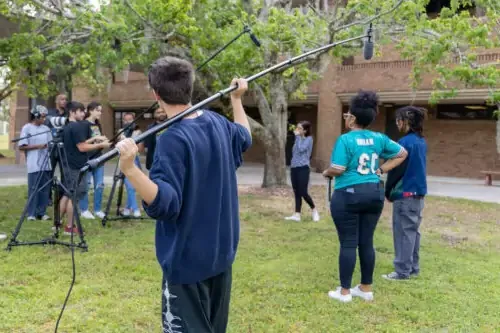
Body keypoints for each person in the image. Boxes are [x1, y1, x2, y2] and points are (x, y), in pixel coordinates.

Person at [115, 56, 251, 333]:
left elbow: (165, 203)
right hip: (220, 255)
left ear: (156, 94)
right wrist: (237, 100)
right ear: (191, 86)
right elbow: (244, 136)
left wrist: (130, 169)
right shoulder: (217, 122)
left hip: (188, 264)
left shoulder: (171, 140)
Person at [322, 90, 407, 303]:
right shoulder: (379, 138)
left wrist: (326, 172)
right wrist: (381, 170)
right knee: (366, 241)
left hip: (348, 194)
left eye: (347, 114)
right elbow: (402, 153)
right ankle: (366, 288)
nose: (346, 118)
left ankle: (344, 292)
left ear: (353, 118)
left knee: (349, 243)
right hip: (374, 192)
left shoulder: (345, 139)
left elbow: (338, 168)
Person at [382, 106, 427, 281]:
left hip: (405, 193)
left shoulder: (404, 143)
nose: (397, 123)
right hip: (418, 194)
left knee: (403, 231)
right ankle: (412, 267)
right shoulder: (421, 141)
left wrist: (388, 190)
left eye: (399, 119)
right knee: (413, 231)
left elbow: (395, 170)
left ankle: (401, 271)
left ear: (406, 121)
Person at [59, 101, 110, 235]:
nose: (83, 114)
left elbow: (79, 143)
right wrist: (100, 145)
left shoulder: (67, 126)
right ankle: (70, 227)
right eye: (80, 111)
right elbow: (82, 147)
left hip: (67, 165)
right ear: (72, 112)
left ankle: (57, 224)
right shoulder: (76, 127)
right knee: (73, 197)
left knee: (66, 194)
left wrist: (95, 139)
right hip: (75, 167)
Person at [18, 105, 52, 221]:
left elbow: (50, 143)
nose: (44, 119)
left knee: (45, 188)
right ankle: (31, 213)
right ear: (36, 116)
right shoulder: (27, 128)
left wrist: (49, 146)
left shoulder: (46, 129)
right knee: (33, 188)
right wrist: (38, 146)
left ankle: (41, 213)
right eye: (42, 116)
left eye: (45, 117)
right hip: (34, 163)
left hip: (46, 162)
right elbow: (22, 146)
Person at [285, 120, 320, 222]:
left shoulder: (309, 139)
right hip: (294, 168)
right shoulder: (298, 139)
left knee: (303, 192)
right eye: (297, 127)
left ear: (305, 130)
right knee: (296, 192)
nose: (297, 130)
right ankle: (297, 214)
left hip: (303, 168)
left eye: (300, 128)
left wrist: (297, 137)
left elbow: (301, 149)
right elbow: (294, 153)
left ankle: (314, 210)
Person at [79, 102, 106, 220]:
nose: (100, 113)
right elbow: (82, 142)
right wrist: (96, 139)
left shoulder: (97, 125)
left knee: (99, 184)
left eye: (101, 110)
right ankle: (84, 209)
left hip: (99, 157)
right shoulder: (83, 124)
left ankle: (97, 209)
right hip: (87, 159)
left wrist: (103, 142)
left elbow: (97, 141)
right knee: (86, 184)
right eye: (98, 110)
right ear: (90, 110)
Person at [118, 112, 144, 217]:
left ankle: (128, 208)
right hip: (124, 159)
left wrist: (131, 144)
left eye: (130, 119)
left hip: (135, 159)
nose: (128, 122)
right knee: (129, 185)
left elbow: (141, 149)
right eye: (126, 120)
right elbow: (119, 147)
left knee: (133, 185)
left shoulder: (138, 132)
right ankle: (135, 208)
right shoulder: (121, 132)